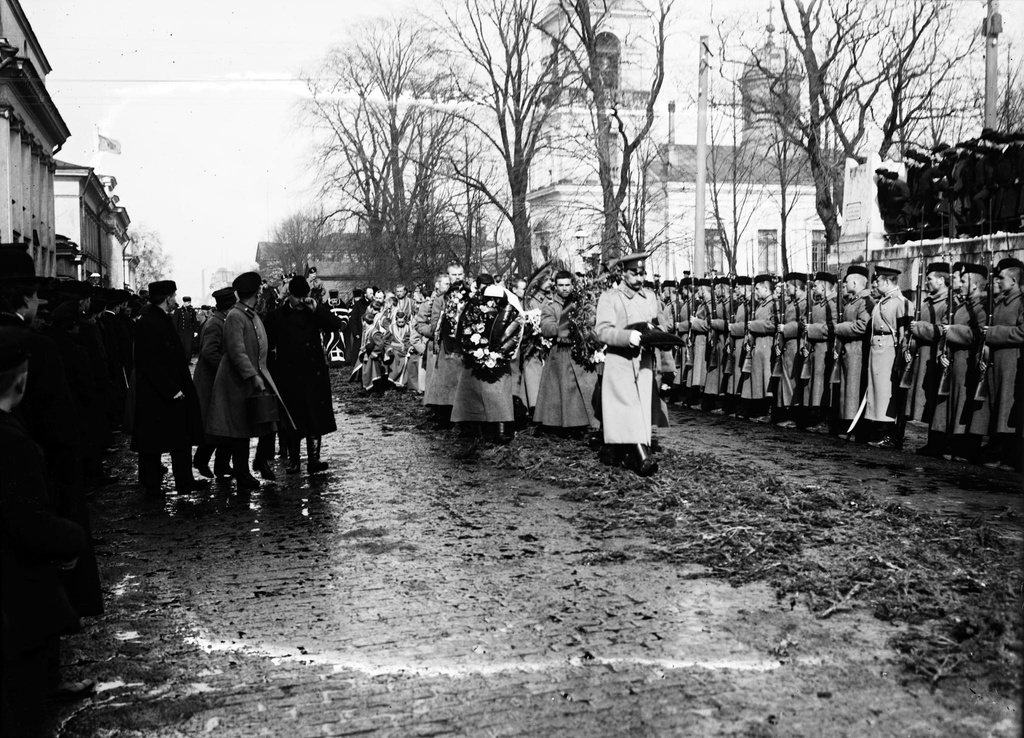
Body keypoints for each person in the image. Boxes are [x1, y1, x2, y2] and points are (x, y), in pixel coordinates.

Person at [0, 337, 89, 737]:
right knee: (27, 707)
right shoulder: (12, 441)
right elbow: (27, 522)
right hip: (17, 592)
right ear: (20, 383)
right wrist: (72, 537)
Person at [206, 272, 289, 489]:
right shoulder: (236, 316)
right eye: (260, 291)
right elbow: (236, 350)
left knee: (269, 419)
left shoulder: (250, 314)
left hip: (252, 377)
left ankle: (259, 460)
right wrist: (252, 376)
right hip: (237, 382)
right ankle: (243, 474)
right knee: (240, 430)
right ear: (256, 293)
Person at [594, 252, 668, 476]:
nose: (639, 278)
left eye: (642, 273)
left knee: (639, 411)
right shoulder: (610, 297)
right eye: (634, 273)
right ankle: (642, 459)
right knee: (628, 410)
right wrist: (627, 337)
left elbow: (659, 325)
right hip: (621, 363)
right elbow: (602, 331)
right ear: (623, 273)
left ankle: (620, 452)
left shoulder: (650, 297)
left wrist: (657, 336)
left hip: (644, 363)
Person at [130, 280, 208, 494]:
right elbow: (150, 362)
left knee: (169, 440)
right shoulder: (150, 322)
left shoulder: (158, 319)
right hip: (162, 393)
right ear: (167, 298)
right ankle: (157, 484)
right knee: (158, 442)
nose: (175, 300)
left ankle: (181, 481)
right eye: (173, 296)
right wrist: (172, 389)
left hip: (165, 391)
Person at [265, 275, 345, 474]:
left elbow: (336, 325)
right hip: (289, 376)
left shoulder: (312, 312)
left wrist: (317, 308)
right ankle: (294, 462)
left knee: (314, 419)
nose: (301, 301)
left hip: (313, 374)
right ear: (288, 295)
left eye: (304, 297)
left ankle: (314, 461)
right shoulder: (277, 316)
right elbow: (268, 345)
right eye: (297, 297)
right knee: (293, 420)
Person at [450, 276, 522, 442]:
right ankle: (471, 427)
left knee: (497, 396)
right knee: (472, 395)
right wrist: (474, 349)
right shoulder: (471, 306)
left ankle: (500, 429)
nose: (491, 302)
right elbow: (463, 327)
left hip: (497, 357)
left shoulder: (508, 304)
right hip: (475, 357)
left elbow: (514, 326)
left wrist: (500, 352)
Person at [533, 271, 598, 435]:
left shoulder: (582, 304)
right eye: (560, 285)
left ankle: (583, 423)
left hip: (580, 352)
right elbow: (546, 328)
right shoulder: (550, 307)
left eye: (567, 285)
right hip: (560, 352)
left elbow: (592, 321)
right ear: (555, 286)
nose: (564, 289)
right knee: (562, 391)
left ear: (572, 285)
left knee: (582, 389)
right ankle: (563, 424)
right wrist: (567, 326)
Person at [981, 257, 1024, 470]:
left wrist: (993, 334)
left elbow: (1022, 332)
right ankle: (997, 449)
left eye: (1001, 278)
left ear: (1014, 281)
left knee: (1008, 409)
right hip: (996, 363)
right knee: (997, 406)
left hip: (1011, 362)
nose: (998, 281)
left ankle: (1010, 456)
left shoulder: (1020, 302)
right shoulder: (1001, 301)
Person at [906, 262, 951, 456]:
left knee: (936, 399)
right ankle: (933, 440)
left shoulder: (947, 304)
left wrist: (918, 327)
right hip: (925, 356)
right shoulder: (928, 302)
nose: (927, 282)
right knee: (929, 398)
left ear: (941, 280)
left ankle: (938, 442)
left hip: (937, 356)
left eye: (931, 278)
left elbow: (941, 330)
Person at [192, 287, 236, 479]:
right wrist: (226, 370)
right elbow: (209, 352)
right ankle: (202, 461)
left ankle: (222, 465)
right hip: (212, 383)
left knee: (225, 426)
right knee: (216, 426)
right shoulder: (215, 324)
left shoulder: (220, 320)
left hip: (217, 381)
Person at [865, 266, 910, 448]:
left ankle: (892, 435)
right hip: (879, 352)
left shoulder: (900, 302)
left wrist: (901, 359)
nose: (875, 284)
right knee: (878, 394)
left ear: (886, 281)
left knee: (888, 394)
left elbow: (904, 335)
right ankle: (880, 431)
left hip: (890, 353)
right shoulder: (882, 302)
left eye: (878, 281)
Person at [832, 265, 873, 438]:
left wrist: (839, 328)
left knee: (853, 391)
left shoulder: (865, 301)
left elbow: (863, 326)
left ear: (855, 282)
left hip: (857, 351)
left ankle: (852, 426)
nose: (845, 284)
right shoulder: (853, 301)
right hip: (848, 350)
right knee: (846, 390)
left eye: (847, 281)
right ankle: (846, 424)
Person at [423, 262, 467, 423]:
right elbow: (434, 324)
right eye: (454, 275)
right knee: (445, 382)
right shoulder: (441, 299)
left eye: (460, 274)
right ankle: (444, 416)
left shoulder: (470, 296)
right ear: (448, 276)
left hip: (465, 346)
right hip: (447, 347)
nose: (457, 278)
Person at [742, 274, 777, 421]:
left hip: (767, 345)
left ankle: (767, 411)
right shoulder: (761, 304)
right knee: (758, 380)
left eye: (757, 288)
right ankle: (759, 409)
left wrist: (754, 326)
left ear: (765, 288)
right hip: (759, 346)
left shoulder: (773, 304)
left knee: (766, 380)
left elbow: (773, 325)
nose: (755, 291)